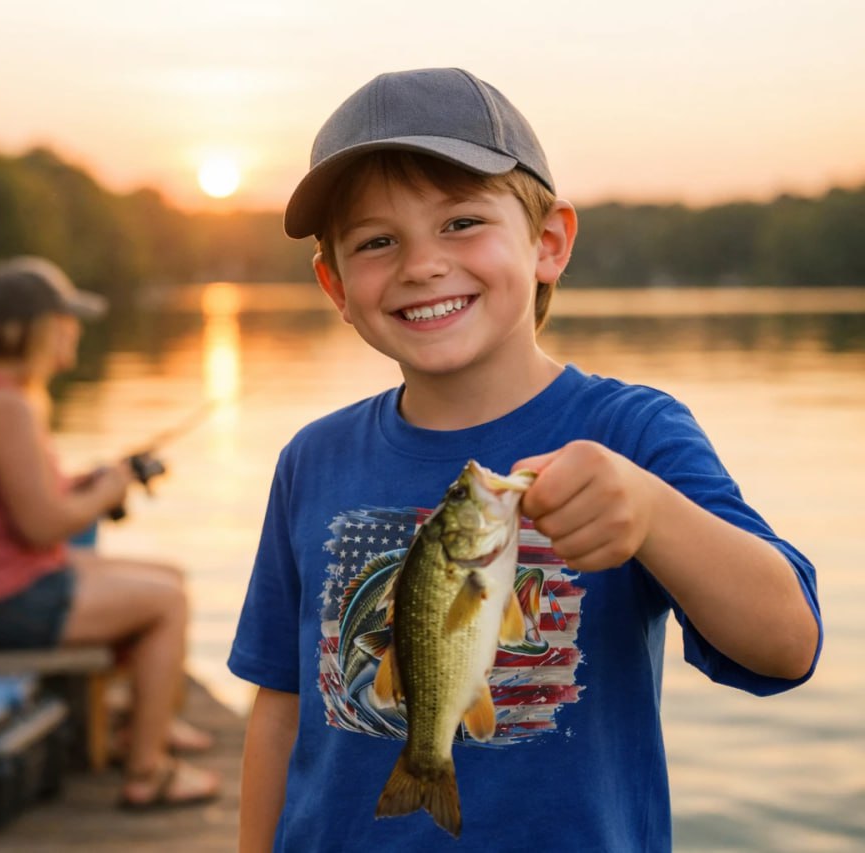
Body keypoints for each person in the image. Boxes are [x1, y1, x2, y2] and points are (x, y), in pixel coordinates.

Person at [229, 68, 822, 851]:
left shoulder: (632, 432)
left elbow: (788, 643)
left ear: (548, 243)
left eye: (461, 222)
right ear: (336, 284)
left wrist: (652, 512)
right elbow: (280, 701)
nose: (421, 264)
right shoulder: (312, 459)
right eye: (377, 241)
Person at [0, 255, 220, 809]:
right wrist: (107, 492)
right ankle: (147, 770)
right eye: (67, 319)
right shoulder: (8, 406)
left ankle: (142, 723)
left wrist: (96, 479)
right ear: (39, 328)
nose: (75, 330)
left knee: (166, 576)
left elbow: (33, 497)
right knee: (167, 602)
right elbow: (41, 526)